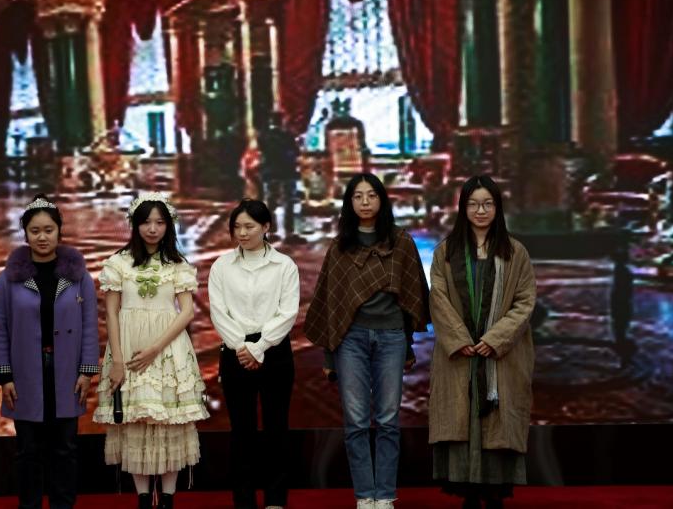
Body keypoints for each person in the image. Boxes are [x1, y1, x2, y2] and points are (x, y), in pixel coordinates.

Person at [304, 173, 431, 509]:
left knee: (388, 420)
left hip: (391, 337)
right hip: (350, 339)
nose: (364, 202)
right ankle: (364, 496)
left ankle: (385, 495)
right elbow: (330, 306)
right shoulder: (340, 246)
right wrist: (329, 357)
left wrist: (407, 347)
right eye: (357, 196)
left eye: (371, 195)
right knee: (357, 421)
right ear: (349, 203)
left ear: (381, 200)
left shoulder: (401, 242)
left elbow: (411, 300)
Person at [93, 192, 209, 509]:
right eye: (146, 222)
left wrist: (156, 348)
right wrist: (118, 361)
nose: (153, 229)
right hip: (128, 348)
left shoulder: (178, 264)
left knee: (170, 419)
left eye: (160, 222)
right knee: (135, 419)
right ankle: (143, 498)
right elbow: (111, 312)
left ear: (169, 225)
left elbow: (186, 312)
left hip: (169, 348)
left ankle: (168, 498)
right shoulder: (118, 263)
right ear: (135, 224)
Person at [428, 175, 536, 509]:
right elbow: (438, 298)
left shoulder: (515, 252)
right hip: (459, 354)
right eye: (473, 204)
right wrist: (460, 339)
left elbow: (525, 301)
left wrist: (494, 339)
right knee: (462, 419)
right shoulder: (446, 252)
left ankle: (495, 494)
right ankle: (469, 495)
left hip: (501, 356)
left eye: (488, 203)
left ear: (497, 207)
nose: (480, 210)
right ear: (463, 208)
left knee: (497, 424)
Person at [0, 193, 100, 509]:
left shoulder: (78, 277)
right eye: (34, 230)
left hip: (66, 374)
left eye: (48, 230)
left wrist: (86, 371)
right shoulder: (9, 279)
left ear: (59, 232)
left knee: (65, 449)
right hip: (25, 374)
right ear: (25, 234)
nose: (42, 237)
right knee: (28, 451)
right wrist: (4, 377)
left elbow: (90, 326)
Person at [207, 199, 300, 509]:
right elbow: (219, 312)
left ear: (266, 227)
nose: (242, 233)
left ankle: (276, 499)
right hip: (235, 351)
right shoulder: (222, 266)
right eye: (237, 227)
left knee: (276, 427)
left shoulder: (284, 265)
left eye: (249, 226)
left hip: (274, 351)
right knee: (241, 429)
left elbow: (288, 312)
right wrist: (242, 347)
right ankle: (244, 499)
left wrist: (259, 347)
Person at [259, 112, 300, 241]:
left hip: (270, 172)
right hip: (286, 172)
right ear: (282, 121)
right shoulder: (287, 136)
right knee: (288, 202)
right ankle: (289, 232)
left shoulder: (264, 136)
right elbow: (295, 152)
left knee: (270, 202)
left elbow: (262, 152)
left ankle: (271, 232)